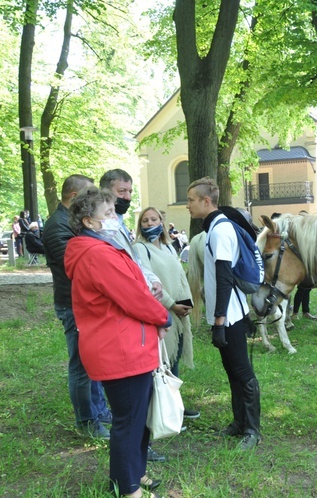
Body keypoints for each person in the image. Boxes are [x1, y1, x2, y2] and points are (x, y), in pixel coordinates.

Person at [65, 186, 171, 498]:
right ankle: (128, 489)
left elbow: (133, 288)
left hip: (127, 345)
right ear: (89, 222)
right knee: (128, 421)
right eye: (108, 213)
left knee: (137, 419)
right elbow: (131, 296)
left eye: (114, 211)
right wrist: (162, 317)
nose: (115, 218)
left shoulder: (103, 248)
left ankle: (133, 474)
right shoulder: (97, 254)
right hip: (119, 350)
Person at [186, 177, 261, 450]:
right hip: (228, 313)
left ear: (207, 201)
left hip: (229, 316)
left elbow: (224, 277)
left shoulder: (219, 231)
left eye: (192, 200)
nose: (188, 205)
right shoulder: (215, 228)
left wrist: (219, 321)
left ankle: (252, 430)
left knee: (243, 372)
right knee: (232, 371)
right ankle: (239, 423)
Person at [100, 169, 166, 463]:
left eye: (129, 192)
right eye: (120, 193)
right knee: (128, 411)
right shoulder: (99, 238)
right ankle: (128, 480)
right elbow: (124, 286)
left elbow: (135, 264)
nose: (126, 198)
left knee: (138, 404)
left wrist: (151, 280)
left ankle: (134, 468)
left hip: (136, 322)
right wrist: (160, 316)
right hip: (121, 328)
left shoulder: (118, 225)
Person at [42, 174, 112, 439]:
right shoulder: (57, 225)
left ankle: (99, 411)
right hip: (72, 305)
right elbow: (77, 265)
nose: (91, 203)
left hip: (83, 303)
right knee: (81, 366)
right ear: (74, 198)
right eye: (87, 197)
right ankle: (87, 421)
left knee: (92, 362)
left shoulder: (68, 222)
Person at [134, 207, 200, 420]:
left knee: (174, 358)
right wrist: (171, 304)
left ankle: (176, 406)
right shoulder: (139, 249)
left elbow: (179, 275)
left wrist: (186, 303)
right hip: (160, 311)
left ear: (162, 222)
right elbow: (148, 283)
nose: (149, 223)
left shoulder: (168, 247)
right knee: (162, 362)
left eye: (154, 219)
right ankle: (164, 411)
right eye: (145, 220)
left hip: (179, 312)